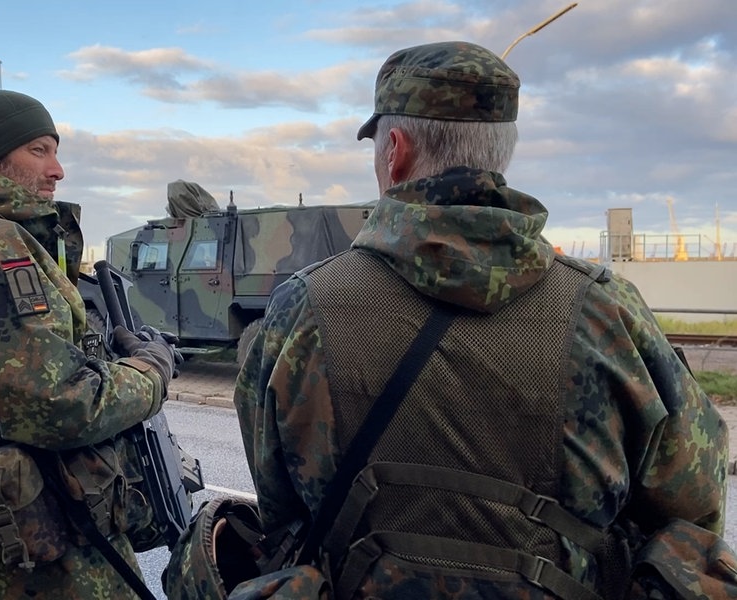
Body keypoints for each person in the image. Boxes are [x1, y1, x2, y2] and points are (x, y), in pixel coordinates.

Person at [233, 41, 728, 598]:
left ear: (393, 149)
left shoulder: (301, 309)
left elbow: (279, 510)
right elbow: (694, 507)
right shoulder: (607, 311)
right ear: (502, 153)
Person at [0, 90, 179, 599]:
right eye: (39, 151)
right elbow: (55, 404)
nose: (58, 169)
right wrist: (150, 370)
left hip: (6, 521)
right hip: (34, 538)